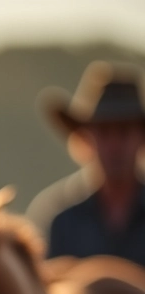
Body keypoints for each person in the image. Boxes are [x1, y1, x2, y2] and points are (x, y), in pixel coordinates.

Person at [25, 61, 145, 264]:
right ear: (86, 138)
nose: (114, 145)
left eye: (124, 131)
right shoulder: (57, 217)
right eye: (104, 132)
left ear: (141, 137)